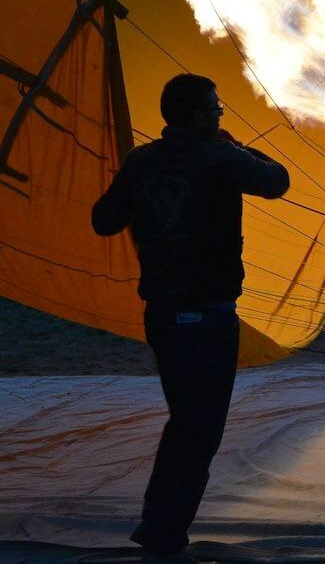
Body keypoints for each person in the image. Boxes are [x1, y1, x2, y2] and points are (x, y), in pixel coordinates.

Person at [92, 74, 290, 562]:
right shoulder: (221, 157)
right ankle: (161, 535)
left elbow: (102, 220)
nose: (221, 116)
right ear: (200, 116)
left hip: (162, 317)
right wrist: (236, 146)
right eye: (218, 109)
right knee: (198, 430)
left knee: (186, 422)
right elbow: (277, 181)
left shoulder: (142, 161)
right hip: (209, 317)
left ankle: (159, 526)